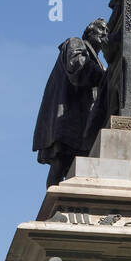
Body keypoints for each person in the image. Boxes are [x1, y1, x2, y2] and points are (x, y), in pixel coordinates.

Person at [33, 19, 109, 186]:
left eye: (107, 31)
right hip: (68, 119)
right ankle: (52, 208)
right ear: (90, 32)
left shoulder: (96, 59)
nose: (105, 34)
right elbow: (77, 68)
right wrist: (107, 76)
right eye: (102, 29)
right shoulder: (76, 42)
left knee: (74, 170)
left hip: (81, 124)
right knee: (60, 164)